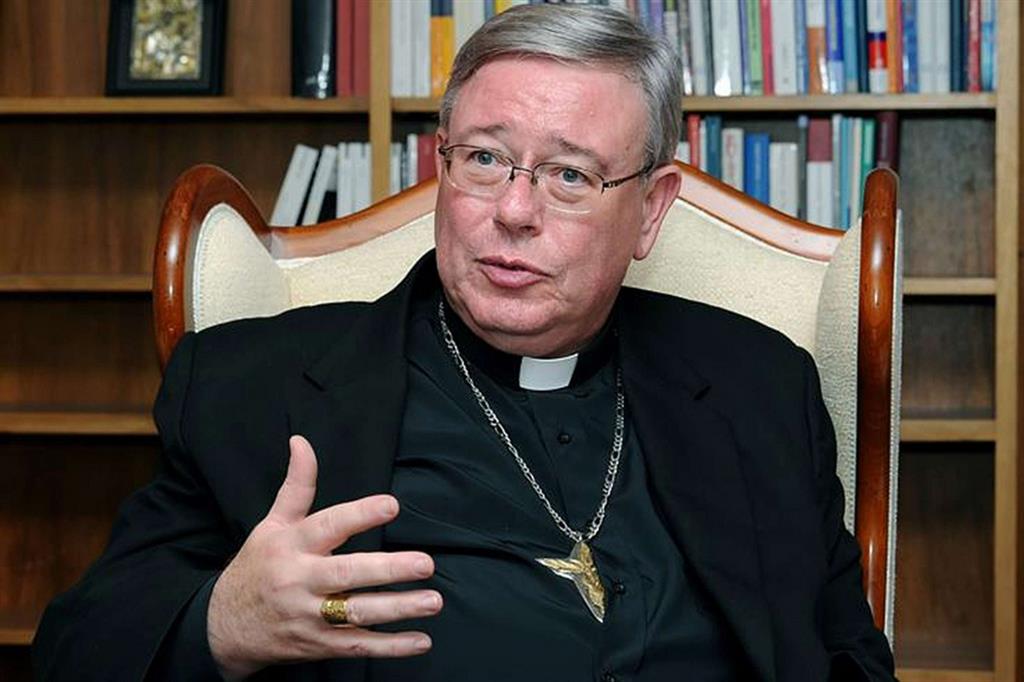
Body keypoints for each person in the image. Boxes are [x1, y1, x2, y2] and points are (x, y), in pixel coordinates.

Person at [34, 5, 896, 681]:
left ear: (651, 209)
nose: (513, 211)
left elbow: (848, 656)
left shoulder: (761, 385)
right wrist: (225, 623)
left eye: (570, 175)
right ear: (441, 165)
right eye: (483, 159)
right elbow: (78, 651)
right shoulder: (252, 385)